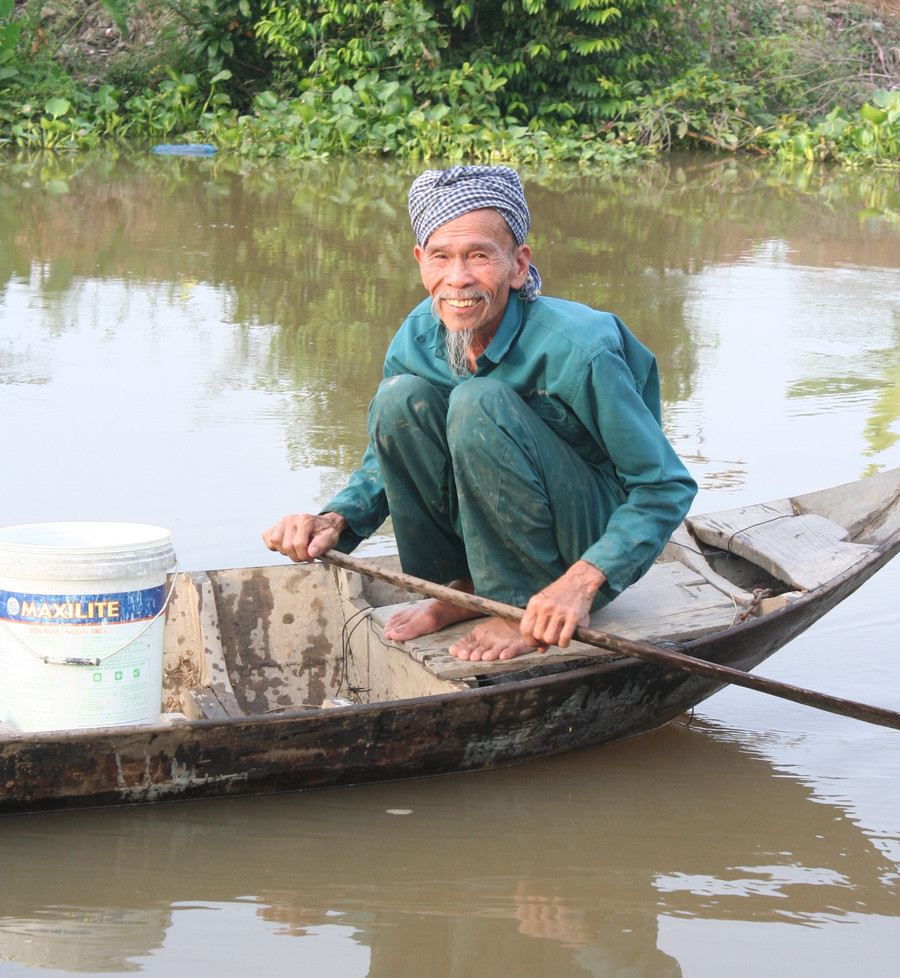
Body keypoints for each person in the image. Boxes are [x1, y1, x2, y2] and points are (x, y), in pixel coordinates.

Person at [263, 165, 697, 662]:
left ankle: (520, 601)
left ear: (517, 265)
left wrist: (581, 583)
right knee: (397, 398)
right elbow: (386, 457)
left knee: (478, 400)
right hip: (494, 534)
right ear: (420, 260)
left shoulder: (580, 347)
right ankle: (462, 588)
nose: (458, 280)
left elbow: (664, 486)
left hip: (584, 534)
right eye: (441, 257)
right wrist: (336, 519)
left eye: (479, 256)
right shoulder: (418, 335)